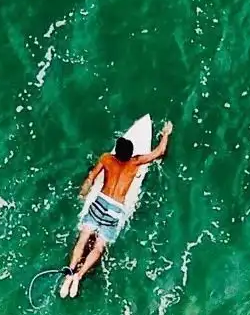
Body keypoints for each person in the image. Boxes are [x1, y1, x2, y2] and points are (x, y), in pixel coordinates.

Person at [60, 122, 173, 298]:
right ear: (130, 154)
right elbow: (159, 152)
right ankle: (79, 276)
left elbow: (91, 177)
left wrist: (83, 190)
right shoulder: (135, 162)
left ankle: (69, 273)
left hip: (100, 202)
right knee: (98, 247)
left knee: (83, 239)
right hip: (115, 209)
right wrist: (166, 134)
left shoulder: (106, 159)